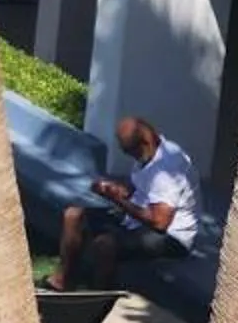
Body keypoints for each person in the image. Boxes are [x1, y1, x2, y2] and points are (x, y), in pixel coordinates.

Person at [54, 117, 200, 290]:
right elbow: (139, 187)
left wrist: (118, 200)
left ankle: (100, 295)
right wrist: (114, 189)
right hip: (138, 221)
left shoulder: (167, 169)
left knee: (105, 244)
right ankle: (64, 280)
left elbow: (159, 222)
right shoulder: (151, 152)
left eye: (129, 151)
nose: (128, 155)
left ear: (145, 142)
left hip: (172, 237)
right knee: (73, 215)